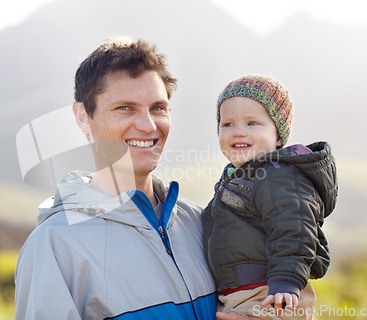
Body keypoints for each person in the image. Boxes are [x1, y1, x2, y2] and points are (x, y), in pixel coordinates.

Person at [14, 36, 250, 320]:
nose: (148, 125)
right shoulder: (54, 246)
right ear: (83, 117)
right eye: (125, 108)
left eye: (158, 108)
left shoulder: (203, 222)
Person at [202, 74, 338, 319]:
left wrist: (286, 280)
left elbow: (294, 227)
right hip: (243, 294)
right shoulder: (238, 177)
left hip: (273, 295)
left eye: (252, 123)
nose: (238, 132)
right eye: (228, 124)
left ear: (278, 136)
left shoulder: (279, 176)